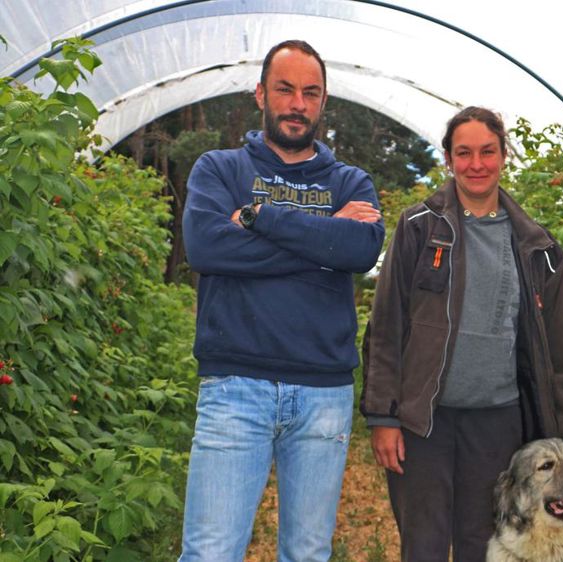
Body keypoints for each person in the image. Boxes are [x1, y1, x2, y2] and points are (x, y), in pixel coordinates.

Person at [178, 39, 384, 562]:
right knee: (210, 552)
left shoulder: (350, 181)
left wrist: (258, 218)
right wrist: (322, 242)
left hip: (323, 393)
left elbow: (360, 248)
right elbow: (206, 246)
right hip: (235, 387)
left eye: (310, 93)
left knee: (308, 554)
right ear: (260, 94)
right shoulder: (219, 169)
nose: (298, 103)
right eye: (286, 90)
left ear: (323, 102)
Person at [362, 106, 563, 561]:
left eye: (487, 151)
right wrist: (384, 417)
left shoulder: (538, 248)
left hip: (498, 424)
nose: (476, 164)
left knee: (486, 545)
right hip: (424, 422)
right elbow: (386, 329)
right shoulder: (419, 229)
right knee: (423, 546)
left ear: (504, 155)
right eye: (464, 153)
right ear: (448, 158)